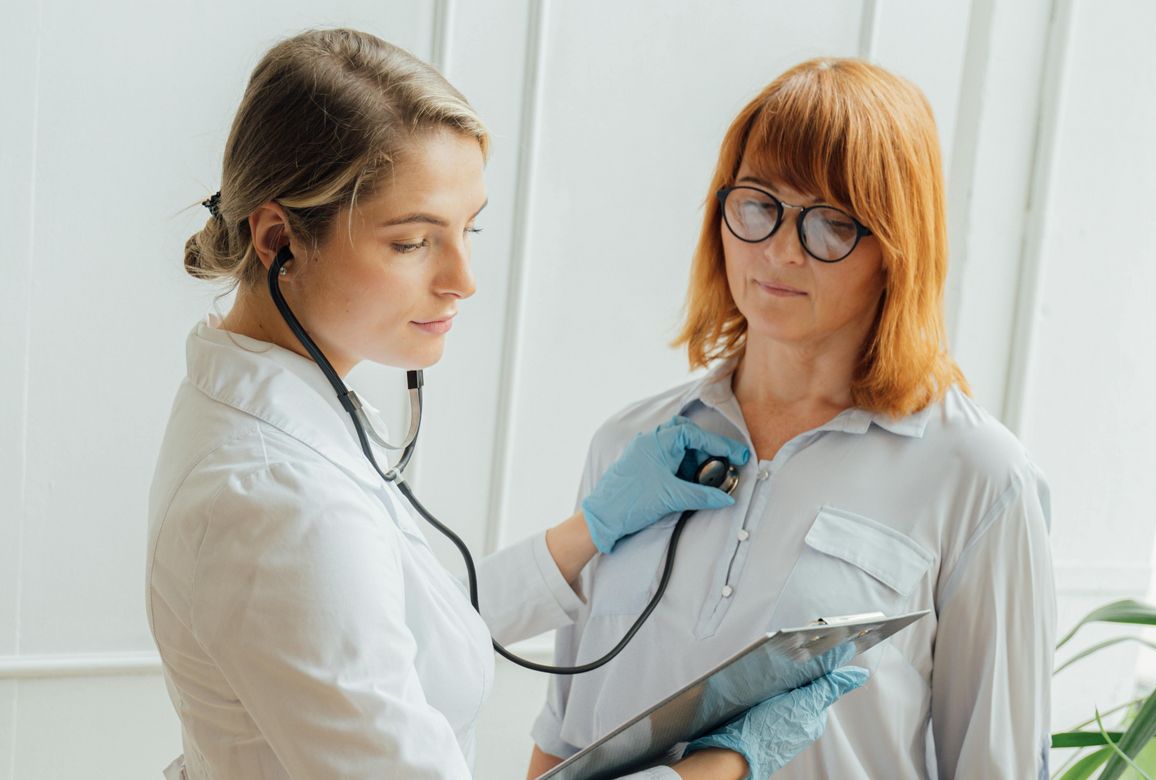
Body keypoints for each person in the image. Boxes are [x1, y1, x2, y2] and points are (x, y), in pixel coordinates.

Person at [146, 29, 867, 780]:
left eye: (470, 229)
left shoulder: (277, 412)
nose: (464, 278)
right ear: (278, 238)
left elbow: (388, 626)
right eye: (412, 242)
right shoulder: (277, 502)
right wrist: (725, 766)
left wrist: (590, 530)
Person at [527, 58, 1057, 780]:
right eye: (758, 203)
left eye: (831, 223)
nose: (779, 249)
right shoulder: (631, 444)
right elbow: (562, 741)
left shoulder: (980, 477)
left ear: (896, 251)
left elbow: (1000, 767)